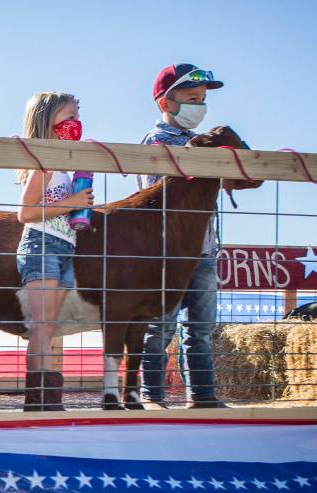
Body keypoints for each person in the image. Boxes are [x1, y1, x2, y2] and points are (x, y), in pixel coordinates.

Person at [139, 64, 226, 409]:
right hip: (166, 251)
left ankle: (203, 395)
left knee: (201, 327)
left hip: (203, 249)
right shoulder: (156, 142)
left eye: (202, 99)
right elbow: (155, 194)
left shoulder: (206, 146)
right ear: (166, 103)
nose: (200, 106)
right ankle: (152, 395)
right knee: (161, 325)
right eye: (192, 99)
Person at [14, 92, 94, 411]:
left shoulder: (63, 169)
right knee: (43, 325)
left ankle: (48, 397)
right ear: (48, 121)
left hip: (64, 247)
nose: (76, 123)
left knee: (50, 326)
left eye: (78, 117)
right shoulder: (43, 165)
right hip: (41, 244)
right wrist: (72, 203)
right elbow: (25, 213)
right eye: (69, 117)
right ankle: (39, 399)